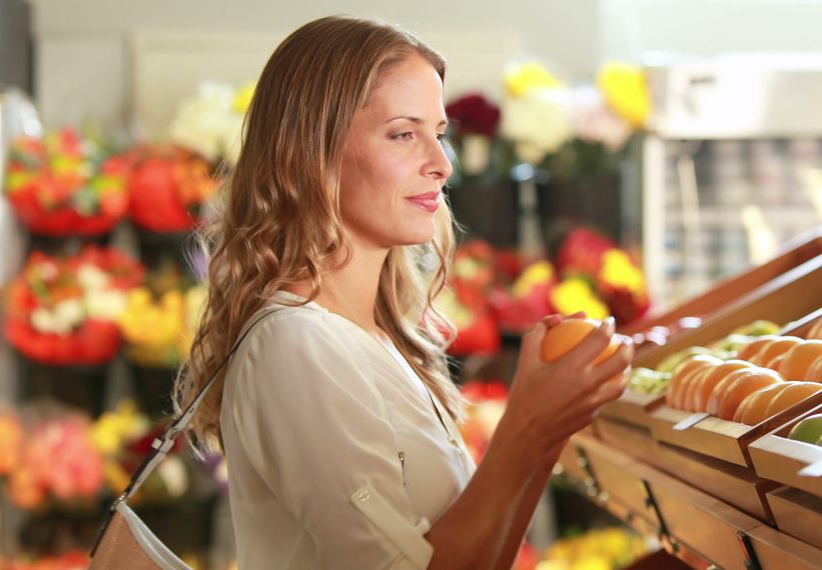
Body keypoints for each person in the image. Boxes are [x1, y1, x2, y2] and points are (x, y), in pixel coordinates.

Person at [174, 15, 634, 570]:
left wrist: (547, 432)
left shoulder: (374, 339)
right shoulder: (297, 345)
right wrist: (528, 427)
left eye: (439, 135)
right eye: (403, 133)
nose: (442, 165)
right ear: (311, 153)